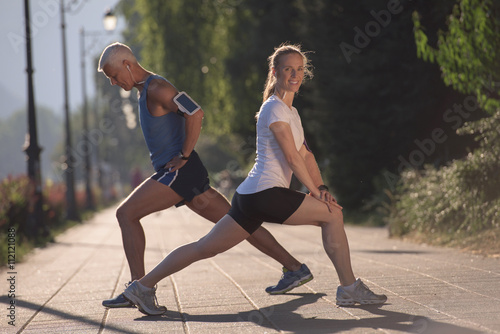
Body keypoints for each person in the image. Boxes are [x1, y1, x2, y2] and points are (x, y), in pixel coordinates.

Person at [120, 43, 387, 316]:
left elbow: (306, 156)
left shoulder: (290, 112)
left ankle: (142, 286)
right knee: (332, 216)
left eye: (299, 70)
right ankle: (348, 288)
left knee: (205, 247)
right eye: (287, 69)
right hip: (265, 194)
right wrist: (316, 195)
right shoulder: (274, 109)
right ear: (275, 72)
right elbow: (293, 159)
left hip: (250, 197)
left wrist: (320, 188)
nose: (294, 75)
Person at [97, 42, 315, 308]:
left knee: (125, 214)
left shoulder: (157, 88)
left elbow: (195, 113)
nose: (113, 82)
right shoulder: (145, 91)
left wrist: (185, 154)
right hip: (185, 176)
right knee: (239, 223)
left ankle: (138, 288)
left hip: (180, 173)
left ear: (127, 65)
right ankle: (294, 267)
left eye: (113, 75)